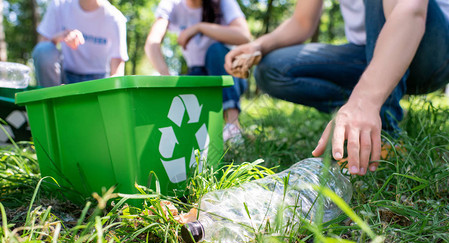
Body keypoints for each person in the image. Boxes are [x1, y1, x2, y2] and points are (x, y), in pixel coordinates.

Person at [225, 0, 449, 175]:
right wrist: (258, 45)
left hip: (430, 51)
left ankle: (384, 133)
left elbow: (409, 10)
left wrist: (365, 100)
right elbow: (302, 22)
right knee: (272, 69)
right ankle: (358, 121)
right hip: (363, 54)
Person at [144, 0, 251, 143]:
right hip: (197, 74)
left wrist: (200, 27)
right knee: (181, 88)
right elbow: (152, 43)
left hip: (229, 74)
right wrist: (166, 77)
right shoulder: (171, 4)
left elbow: (244, 36)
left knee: (215, 50)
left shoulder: (223, 2)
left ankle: (233, 127)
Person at [32, 0, 129, 87]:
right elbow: (42, 49)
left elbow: (117, 73)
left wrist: (107, 88)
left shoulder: (115, 18)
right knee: (43, 50)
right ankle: (52, 99)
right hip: (64, 75)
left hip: (99, 80)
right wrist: (60, 37)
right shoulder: (59, 5)